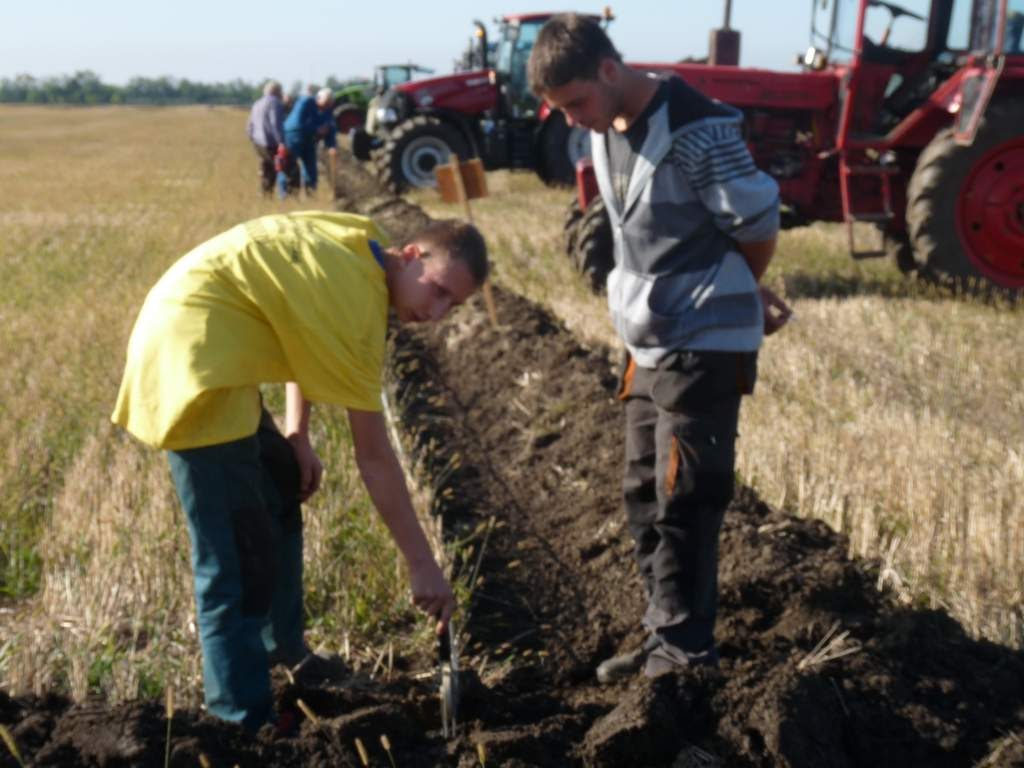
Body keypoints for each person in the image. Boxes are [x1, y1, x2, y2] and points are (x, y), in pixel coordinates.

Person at [111, 212, 489, 730]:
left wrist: (298, 433)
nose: (437, 312)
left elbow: (299, 322)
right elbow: (374, 457)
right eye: (439, 290)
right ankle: (243, 722)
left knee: (280, 481)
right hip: (190, 367)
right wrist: (421, 563)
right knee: (234, 565)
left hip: (213, 347)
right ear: (410, 256)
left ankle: (285, 650)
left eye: (454, 305)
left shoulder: (364, 246)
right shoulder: (357, 302)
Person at [528, 15, 792, 682]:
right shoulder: (608, 126)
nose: (573, 121)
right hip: (646, 341)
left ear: (608, 69)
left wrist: (743, 286)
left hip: (702, 340)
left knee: (687, 493)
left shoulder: (697, 128)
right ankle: (662, 633)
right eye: (561, 111)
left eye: (576, 102)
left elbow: (757, 218)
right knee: (643, 489)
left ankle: (686, 652)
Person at [280, 87, 337, 196]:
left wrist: (332, 145)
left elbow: (330, 126)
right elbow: (297, 124)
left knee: (311, 170)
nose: (326, 107)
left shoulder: (328, 110)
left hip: (310, 140)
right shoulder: (306, 102)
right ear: (318, 98)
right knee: (288, 167)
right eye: (325, 103)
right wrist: (316, 130)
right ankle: (286, 195)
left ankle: (310, 194)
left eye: (329, 104)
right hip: (293, 137)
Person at [246, 80, 286, 196]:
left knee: (266, 168)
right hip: (270, 143)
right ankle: (282, 195)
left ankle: (265, 194)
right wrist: (281, 142)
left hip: (258, 143)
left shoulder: (257, 103)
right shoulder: (275, 103)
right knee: (278, 168)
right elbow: (275, 124)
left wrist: (253, 138)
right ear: (277, 92)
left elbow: (249, 126)